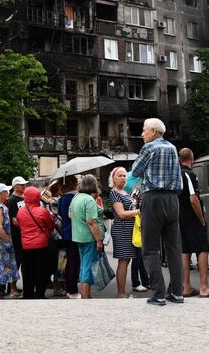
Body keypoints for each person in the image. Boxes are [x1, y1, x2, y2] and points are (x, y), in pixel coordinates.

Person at [129, 118, 184, 306]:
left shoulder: (149, 148)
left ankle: (159, 293)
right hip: (172, 199)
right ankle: (177, 292)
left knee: (150, 248)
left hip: (153, 198)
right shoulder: (172, 148)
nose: (142, 134)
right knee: (174, 248)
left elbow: (135, 171)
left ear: (153, 131)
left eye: (144, 130)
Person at [179, 149, 209, 298]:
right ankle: (204, 287)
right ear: (192, 158)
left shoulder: (174, 174)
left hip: (178, 218)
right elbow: (193, 199)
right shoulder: (189, 175)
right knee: (203, 249)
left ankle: (186, 286)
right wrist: (202, 219)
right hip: (192, 218)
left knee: (184, 251)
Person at [68, 174, 105, 299]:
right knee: (88, 266)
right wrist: (99, 240)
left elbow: (70, 215)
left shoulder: (76, 197)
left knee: (84, 264)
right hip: (89, 237)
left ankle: (84, 294)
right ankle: (85, 295)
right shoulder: (89, 199)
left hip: (77, 236)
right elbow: (91, 222)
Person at [16, 186, 55, 299]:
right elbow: (51, 226)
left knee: (27, 270)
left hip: (26, 245)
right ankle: (39, 293)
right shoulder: (42, 211)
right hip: (41, 245)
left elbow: (20, 224)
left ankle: (27, 293)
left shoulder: (21, 211)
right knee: (41, 270)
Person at [108, 167, 140, 298]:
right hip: (122, 229)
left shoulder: (125, 192)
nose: (123, 178)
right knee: (123, 260)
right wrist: (138, 211)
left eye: (124, 176)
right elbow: (121, 214)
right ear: (113, 179)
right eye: (120, 175)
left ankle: (123, 292)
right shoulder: (114, 193)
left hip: (130, 230)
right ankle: (121, 293)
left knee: (127, 261)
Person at [57, 176, 81, 298]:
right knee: (75, 262)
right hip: (76, 232)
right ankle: (73, 290)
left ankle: (68, 288)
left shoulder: (61, 199)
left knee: (69, 262)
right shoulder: (75, 197)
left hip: (65, 232)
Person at [5, 176, 28, 297]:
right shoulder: (12, 200)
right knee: (15, 261)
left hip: (25, 235)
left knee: (24, 261)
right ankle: (12, 288)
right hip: (16, 235)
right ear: (15, 186)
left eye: (25, 184)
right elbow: (13, 220)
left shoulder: (25, 198)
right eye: (22, 185)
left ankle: (23, 286)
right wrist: (25, 229)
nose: (24, 186)